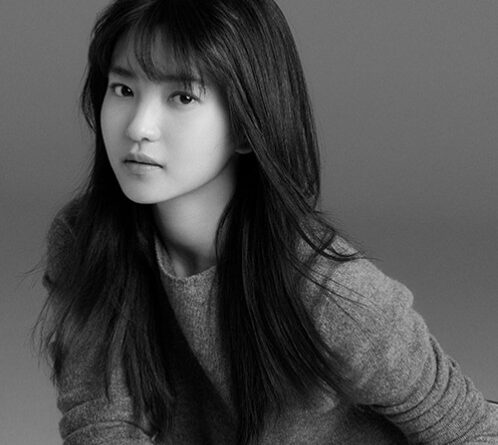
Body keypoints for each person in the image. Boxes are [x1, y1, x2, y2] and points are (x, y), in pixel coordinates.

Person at [35, 0, 498, 443]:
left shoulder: (331, 293)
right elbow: (102, 425)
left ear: (245, 125)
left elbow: (471, 430)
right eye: (123, 90)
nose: (138, 127)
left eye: (182, 96)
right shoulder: (86, 243)